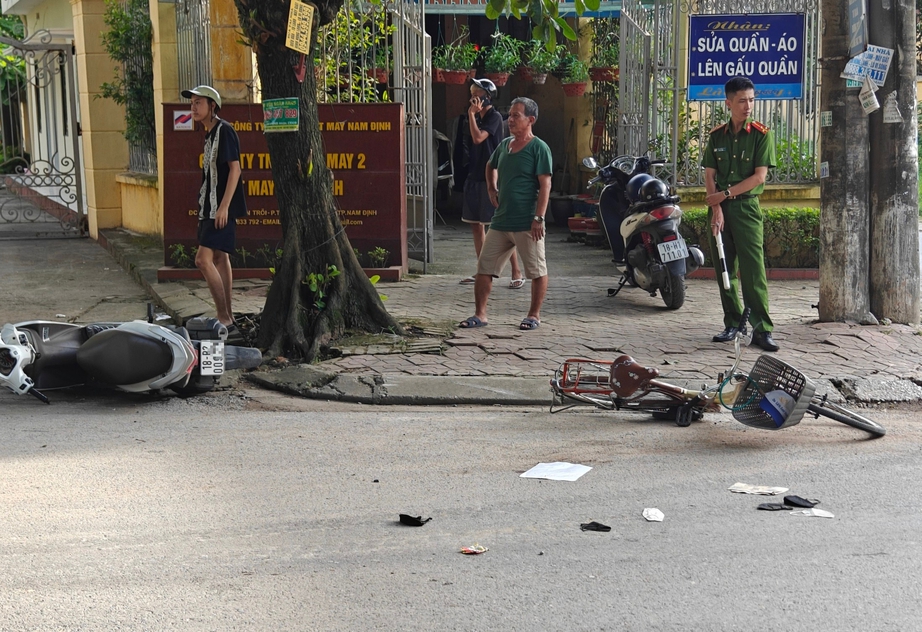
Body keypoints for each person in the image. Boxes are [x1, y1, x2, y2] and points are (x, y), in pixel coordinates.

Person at [459, 97, 552, 331]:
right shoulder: (504, 145)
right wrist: (492, 188)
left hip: (527, 222)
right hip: (501, 221)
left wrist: (539, 218)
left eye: (516, 115)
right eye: (509, 115)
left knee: (536, 270)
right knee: (484, 268)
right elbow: (490, 165)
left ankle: (534, 315)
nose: (510, 119)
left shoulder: (539, 148)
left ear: (530, 120)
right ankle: (480, 315)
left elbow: (545, 185)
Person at [703, 76, 778, 352]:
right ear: (728, 103)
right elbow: (709, 176)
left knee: (753, 270)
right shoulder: (717, 136)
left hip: (746, 208)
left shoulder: (761, 134)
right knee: (724, 267)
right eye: (742, 101)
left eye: (751, 100)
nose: (748, 106)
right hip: (720, 210)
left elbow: (759, 178)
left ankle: (762, 329)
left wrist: (723, 195)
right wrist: (716, 208)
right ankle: (733, 323)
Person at [181, 85, 247, 341]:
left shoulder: (224, 131)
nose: (193, 107)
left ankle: (224, 319)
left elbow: (235, 170)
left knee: (202, 260)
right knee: (220, 258)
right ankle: (229, 319)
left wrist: (224, 207)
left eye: (199, 102)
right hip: (209, 208)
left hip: (219, 210)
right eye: (192, 103)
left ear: (213, 106)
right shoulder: (209, 134)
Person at [459, 78, 524, 289]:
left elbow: (478, 139)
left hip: (491, 177)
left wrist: (471, 115)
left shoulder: (494, 117)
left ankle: (516, 272)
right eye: (471, 93)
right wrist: (472, 116)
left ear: (487, 97)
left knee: (501, 228)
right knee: (476, 226)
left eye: (477, 93)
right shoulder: (474, 118)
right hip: (474, 175)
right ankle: (483, 270)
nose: (473, 97)